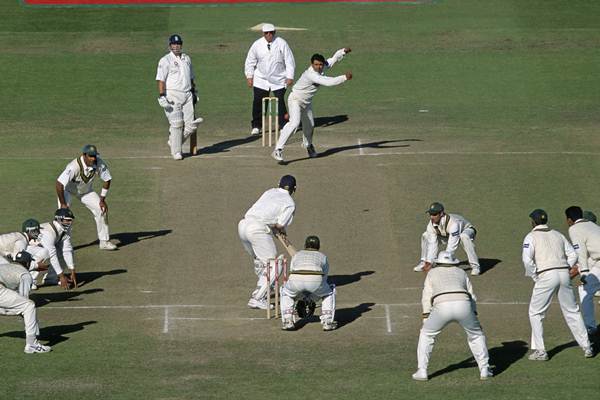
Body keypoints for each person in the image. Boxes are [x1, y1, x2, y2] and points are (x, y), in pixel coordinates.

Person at [522, 209, 593, 360]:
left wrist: (535, 276)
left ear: (533, 222)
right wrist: (565, 267)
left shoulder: (530, 236)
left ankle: (541, 351)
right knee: (572, 311)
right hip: (563, 274)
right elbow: (573, 254)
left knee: (535, 312)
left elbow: (527, 261)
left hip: (546, 275)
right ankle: (587, 347)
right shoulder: (558, 234)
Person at [412, 251, 492, 381]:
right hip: (464, 305)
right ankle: (484, 369)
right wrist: (474, 314)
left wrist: (426, 317)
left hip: (441, 306)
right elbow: (471, 295)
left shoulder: (432, 272)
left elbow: (426, 297)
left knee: (426, 334)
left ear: (438, 262)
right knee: (476, 335)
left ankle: (422, 371)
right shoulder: (461, 272)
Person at [271, 49, 352, 162]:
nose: (318, 67)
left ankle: (308, 146)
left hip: (306, 102)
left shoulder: (323, 66)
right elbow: (328, 82)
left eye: (320, 64)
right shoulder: (311, 74)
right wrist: (344, 77)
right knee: (294, 123)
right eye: (316, 64)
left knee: (310, 126)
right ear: (311, 64)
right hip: (295, 99)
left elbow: (333, 59)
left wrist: (343, 51)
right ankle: (278, 149)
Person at [238, 175, 296, 310]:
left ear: (279, 184)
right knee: (276, 264)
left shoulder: (269, 191)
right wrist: (279, 230)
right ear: (295, 189)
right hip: (258, 229)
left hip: (243, 225)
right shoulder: (290, 202)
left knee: (260, 260)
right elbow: (281, 225)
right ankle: (257, 298)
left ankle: (262, 289)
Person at [56, 144, 116, 251]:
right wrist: (63, 204)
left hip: (85, 191)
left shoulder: (99, 163)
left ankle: (104, 242)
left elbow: (107, 179)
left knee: (101, 209)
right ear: (84, 155)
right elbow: (59, 184)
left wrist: (102, 200)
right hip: (67, 190)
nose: (93, 159)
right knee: (64, 216)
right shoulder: (74, 166)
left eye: (94, 156)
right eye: (90, 156)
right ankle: (63, 245)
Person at [156, 34, 203, 160]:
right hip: (172, 94)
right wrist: (161, 95)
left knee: (191, 125)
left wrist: (194, 92)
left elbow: (191, 77)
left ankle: (174, 141)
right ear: (170, 46)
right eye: (173, 44)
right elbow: (160, 79)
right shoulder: (165, 60)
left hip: (187, 94)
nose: (176, 46)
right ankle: (176, 152)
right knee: (177, 124)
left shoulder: (187, 58)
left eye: (178, 44)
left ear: (181, 45)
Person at [244, 23, 295, 135]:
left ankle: (283, 124)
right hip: (261, 78)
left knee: (280, 100)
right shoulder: (257, 44)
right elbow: (250, 61)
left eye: (271, 32)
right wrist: (249, 76)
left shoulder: (281, 43)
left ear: (274, 32)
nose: (269, 35)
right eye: (266, 33)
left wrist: (290, 76)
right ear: (263, 33)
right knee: (258, 101)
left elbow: (289, 60)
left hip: (279, 78)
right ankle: (257, 125)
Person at [279, 235, 337, 331]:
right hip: (315, 279)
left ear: (305, 245)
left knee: (285, 293)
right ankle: (327, 321)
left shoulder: (297, 254)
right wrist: (311, 297)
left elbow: (291, 270)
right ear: (318, 246)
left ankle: (288, 320)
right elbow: (324, 278)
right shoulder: (323, 256)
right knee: (329, 293)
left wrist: (302, 295)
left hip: (295, 278)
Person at [0, 251, 51, 353]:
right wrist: (35, 329)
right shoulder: (25, 274)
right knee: (29, 306)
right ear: (28, 263)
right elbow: (24, 298)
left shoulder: (8, 266)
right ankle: (32, 344)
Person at [414, 202, 481, 275]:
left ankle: (475, 266)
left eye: (435, 214)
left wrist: (445, 263)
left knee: (464, 237)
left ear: (441, 213)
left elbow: (452, 246)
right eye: (430, 214)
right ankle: (423, 262)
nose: (432, 217)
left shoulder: (453, 224)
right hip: (447, 235)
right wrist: (429, 262)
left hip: (467, 230)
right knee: (426, 235)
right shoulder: (431, 225)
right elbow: (432, 244)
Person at [565, 206, 600, 336]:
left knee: (584, 289)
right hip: (598, 262)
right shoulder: (592, 225)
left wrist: (584, 274)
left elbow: (581, 253)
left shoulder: (574, 229)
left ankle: (590, 327)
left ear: (569, 220)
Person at [38, 209, 76, 290]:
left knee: (64, 251)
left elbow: (67, 249)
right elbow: (52, 256)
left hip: (42, 249)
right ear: (59, 219)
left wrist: (72, 270)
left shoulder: (65, 230)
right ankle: (31, 280)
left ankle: (51, 278)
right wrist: (62, 276)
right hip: (28, 253)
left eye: (70, 220)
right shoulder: (48, 233)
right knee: (44, 253)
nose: (69, 223)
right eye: (67, 220)